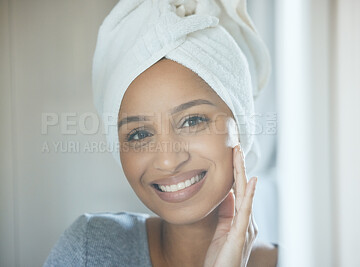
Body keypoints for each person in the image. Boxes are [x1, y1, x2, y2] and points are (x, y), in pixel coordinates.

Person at [44, 0, 278, 266]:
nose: (168, 161)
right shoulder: (89, 251)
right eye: (139, 134)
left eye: (192, 121)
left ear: (241, 124)